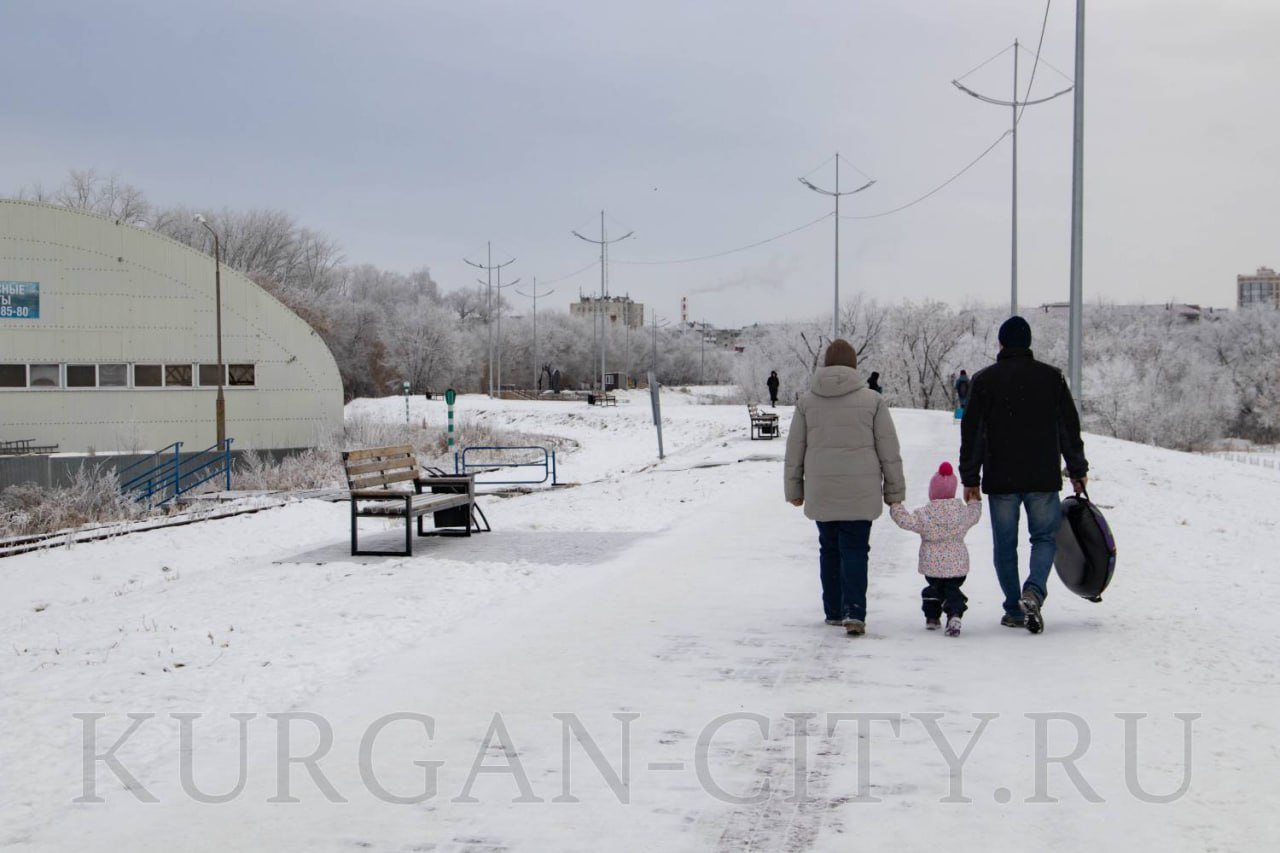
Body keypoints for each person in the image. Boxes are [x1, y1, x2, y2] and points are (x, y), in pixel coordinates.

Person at [959, 316, 1089, 634]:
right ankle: (1034, 591)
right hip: (1042, 475)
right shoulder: (1052, 379)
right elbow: (1068, 429)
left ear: (1001, 344)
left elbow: (972, 433)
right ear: (1028, 343)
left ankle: (1014, 609)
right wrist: (1077, 471)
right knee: (1044, 538)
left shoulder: (984, 380)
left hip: (1001, 477)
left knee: (1005, 546)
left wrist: (970, 478)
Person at [784, 339, 906, 636]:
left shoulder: (807, 402)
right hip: (860, 492)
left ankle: (834, 610)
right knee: (855, 550)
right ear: (854, 365)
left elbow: (795, 449)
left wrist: (794, 490)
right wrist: (894, 492)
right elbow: (888, 449)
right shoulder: (872, 401)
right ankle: (855, 611)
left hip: (822, 490)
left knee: (829, 549)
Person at [889, 462, 982, 637]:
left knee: (934, 589)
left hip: (932, 567)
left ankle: (932, 616)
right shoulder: (962, 513)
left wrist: (896, 506)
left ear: (932, 492)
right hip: (957, 566)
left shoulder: (925, 514)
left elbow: (905, 521)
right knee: (952, 590)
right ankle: (954, 613)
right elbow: (974, 515)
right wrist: (974, 501)